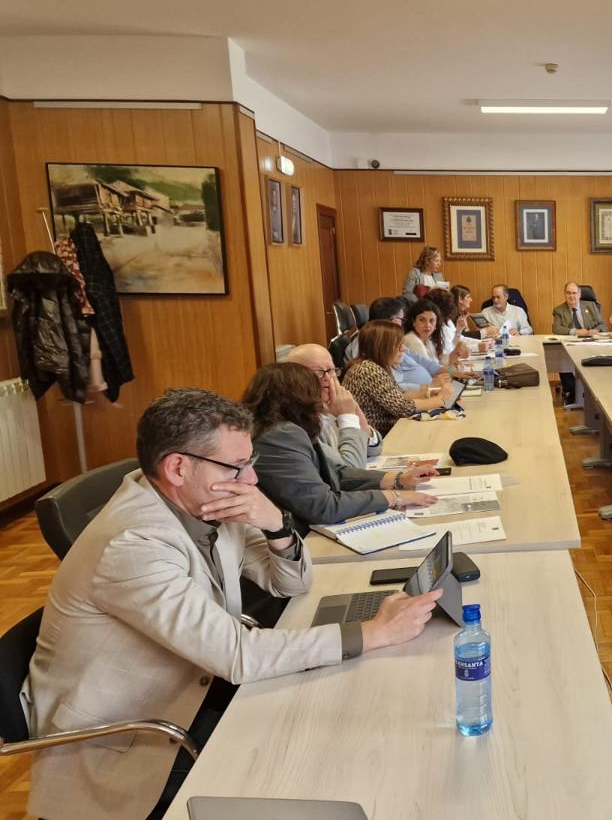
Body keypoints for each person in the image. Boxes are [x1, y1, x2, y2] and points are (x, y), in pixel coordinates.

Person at [22, 389, 442, 820]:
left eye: (251, 463)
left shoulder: (202, 503)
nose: (252, 481)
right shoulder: (133, 544)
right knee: (309, 763)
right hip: (129, 741)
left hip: (192, 685)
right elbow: (238, 655)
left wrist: (276, 524)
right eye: (238, 467)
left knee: (336, 719)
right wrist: (375, 632)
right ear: (178, 467)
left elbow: (290, 585)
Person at [245, 363, 437, 535]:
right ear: (300, 397)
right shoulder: (280, 436)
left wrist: (398, 479)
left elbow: (334, 473)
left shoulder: (286, 428)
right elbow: (324, 507)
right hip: (303, 539)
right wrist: (394, 497)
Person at [285, 343, 384, 468]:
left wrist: (356, 412)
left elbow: (374, 449)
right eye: (318, 372)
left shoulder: (330, 406)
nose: (328, 378)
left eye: (331, 370)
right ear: (295, 377)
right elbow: (350, 471)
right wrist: (347, 417)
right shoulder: (298, 422)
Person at [344, 320, 449, 432]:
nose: (403, 349)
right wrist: (440, 400)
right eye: (398, 345)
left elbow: (399, 395)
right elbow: (402, 407)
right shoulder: (368, 369)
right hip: (376, 439)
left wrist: (430, 392)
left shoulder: (379, 365)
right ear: (382, 347)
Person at [349, 296, 452, 394]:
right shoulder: (368, 345)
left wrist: (450, 372)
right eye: (402, 320)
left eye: (432, 321)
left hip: (425, 392)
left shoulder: (392, 340)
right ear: (394, 322)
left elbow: (422, 361)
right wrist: (430, 386)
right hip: (415, 398)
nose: (403, 348)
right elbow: (387, 386)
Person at [551, 282, 608, 405]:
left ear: (580, 294)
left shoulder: (591, 306)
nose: (572, 296)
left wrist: (596, 330)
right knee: (562, 362)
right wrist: (575, 331)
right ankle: (572, 395)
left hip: (590, 345)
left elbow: (603, 325)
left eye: (574, 293)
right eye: (568, 293)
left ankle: (594, 395)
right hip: (569, 347)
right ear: (565, 295)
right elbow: (556, 328)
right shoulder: (559, 310)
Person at [401, 297, 458, 368]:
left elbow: (441, 362)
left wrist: (455, 354)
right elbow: (432, 370)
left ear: (436, 324)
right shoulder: (412, 340)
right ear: (413, 322)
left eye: (431, 321)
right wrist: (453, 371)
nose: (427, 325)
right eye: (422, 320)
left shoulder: (427, 339)